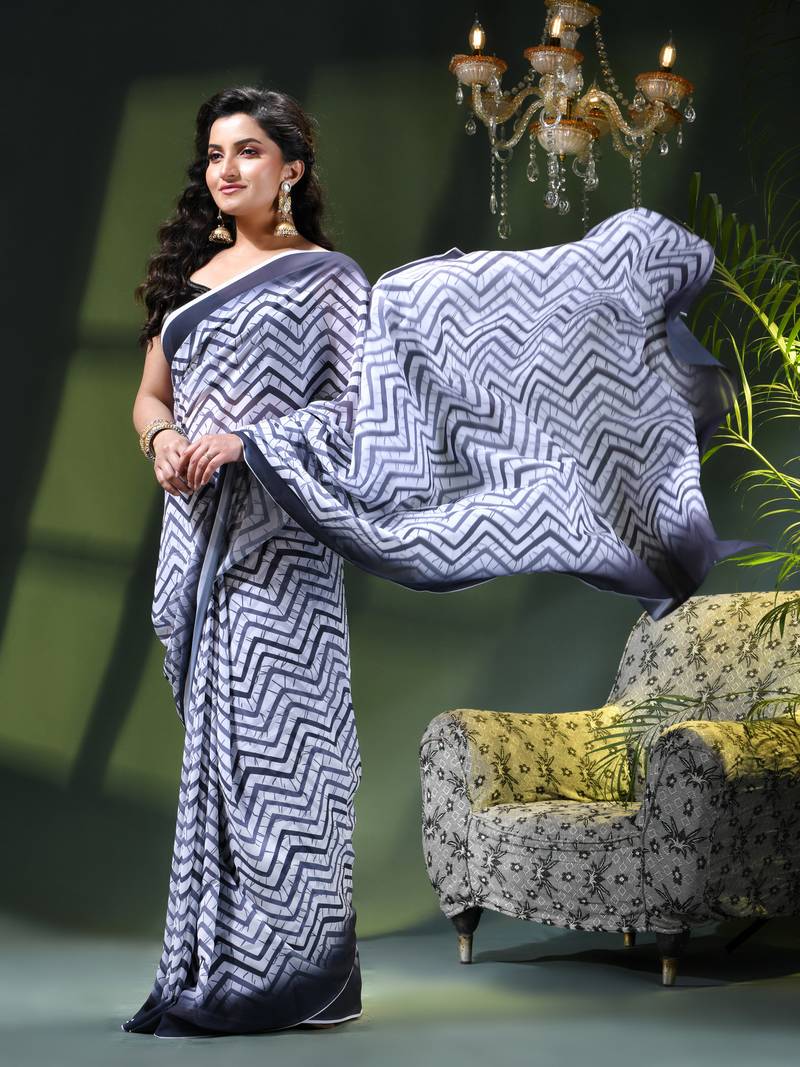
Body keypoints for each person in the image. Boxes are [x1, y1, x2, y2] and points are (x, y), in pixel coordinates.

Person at [124, 85, 761, 1038]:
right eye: (215, 153)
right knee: (224, 753)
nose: (227, 169)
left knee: (288, 754)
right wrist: (166, 440)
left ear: (291, 168)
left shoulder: (327, 278)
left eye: (248, 150)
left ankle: (303, 969)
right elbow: (150, 395)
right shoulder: (190, 275)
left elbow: (364, 414)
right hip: (199, 535)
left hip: (284, 540)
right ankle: (231, 956)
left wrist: (250, 442)